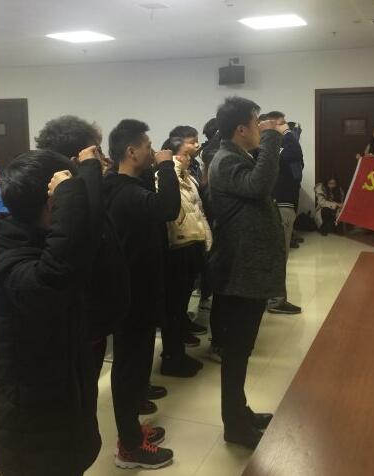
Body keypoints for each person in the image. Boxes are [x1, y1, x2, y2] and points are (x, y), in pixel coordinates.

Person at [0, 148, 104, 476]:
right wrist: (68, 197)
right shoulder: (3, 253)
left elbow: (86, 240)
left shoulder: (40, 238)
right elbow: (50, 281)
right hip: (30, 431)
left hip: (62, 409)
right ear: (51, 203)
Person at [208, 96, 288, 449]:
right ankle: (234, 426)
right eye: (257, 125)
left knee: (241, 350)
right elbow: (259, 185)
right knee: (236, 353)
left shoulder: (236, 156)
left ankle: (240, 413)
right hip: (238, 274)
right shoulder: (225, 160)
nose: (260, 129)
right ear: (241, 129)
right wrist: (272, 138)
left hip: (246, 273)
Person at [35, 115, 131, 395]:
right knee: (80, 393)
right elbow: (88, 227)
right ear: (74, 160)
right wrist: (89, 168)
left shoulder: (82, 192)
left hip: (93, 317)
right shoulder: (55, 199)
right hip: (79, 319)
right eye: (94, 152)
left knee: (87, 389)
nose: (102, 160)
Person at [105, 119, 180, 469]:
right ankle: (130, 448)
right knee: (129, 368)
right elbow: (167, 208)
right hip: (130, 296)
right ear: (131, 151)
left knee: (136, 366)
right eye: (148, 147)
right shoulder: (124, 192)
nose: (153, 151)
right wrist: (166, 166)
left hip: (138, 291)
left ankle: (133, 432)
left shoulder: (126, 186)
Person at [159, 136, 212, 377]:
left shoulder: (187, 177)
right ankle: (172, 357)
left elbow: (198, 212)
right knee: (174, 305)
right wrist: (172, 167)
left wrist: (206, 240)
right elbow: (172, 209)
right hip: (177, 247)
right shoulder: (165, 176)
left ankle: (178, 352)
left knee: (181, 303)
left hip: (192, 243)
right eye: (185, 154)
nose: (189, 159)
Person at [265, 110, 303, 315]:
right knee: (279, 255)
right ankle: (275, 300)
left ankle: (272, 297)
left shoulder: (279, 148)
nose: (286, 127)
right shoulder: (271, 148)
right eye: (281, 123)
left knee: (279, 254)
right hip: (280, 204)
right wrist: (288, 133)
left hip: (286, 204)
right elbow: (295, 151)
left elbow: (297, 161)